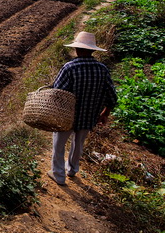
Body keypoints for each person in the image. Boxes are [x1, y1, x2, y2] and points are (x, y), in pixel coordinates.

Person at [47, 31, 118, 186]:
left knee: (59, 144)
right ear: (92, 50)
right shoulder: (102, 69)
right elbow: (112, 95)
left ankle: (58, 175)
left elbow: (57, 92)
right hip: (89, 115)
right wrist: (105, 113)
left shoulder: (69, 67)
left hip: (67, 115)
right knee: (78, 144)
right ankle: (72, 170)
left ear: (77, 49)